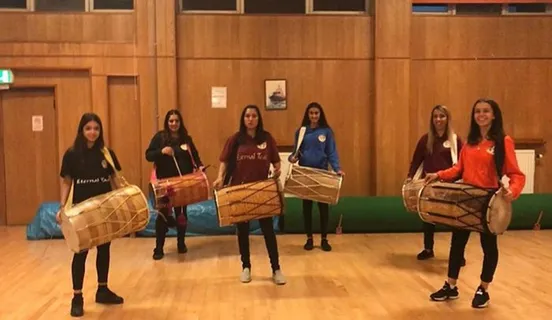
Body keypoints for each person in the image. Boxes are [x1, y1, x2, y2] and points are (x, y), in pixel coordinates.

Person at [425, 98, 526, 308]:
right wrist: (439, 175)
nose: (481, 115)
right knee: (457, 244)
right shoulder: (469, 142)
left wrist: (512, 191)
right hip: (466, 198)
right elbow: (458, 169)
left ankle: (483, 288)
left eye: (485, 111)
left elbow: (517, 174)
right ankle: (450, 286)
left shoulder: (503, 142)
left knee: (488, 247)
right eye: (477, 111)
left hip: (488, 201)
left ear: (494, 115)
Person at [56, 113, 124, 317]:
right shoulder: (72, 154)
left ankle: (102, 290)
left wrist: (120, 201)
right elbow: (67, 181)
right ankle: (77, 297)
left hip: (103, 209)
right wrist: (62, 207)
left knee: (104, 249)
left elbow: (115, 180)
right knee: (80, 252)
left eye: (96, 128)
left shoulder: (107, 153)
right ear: (82, 130)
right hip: (81, 211)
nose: (92, 132)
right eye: (88, 128)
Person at [213, 104, 286, 285]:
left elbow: (276, 163)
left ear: (258, 118)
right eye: (247, 116)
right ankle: (246, 267)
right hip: (240, 190)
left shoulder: (267, 138)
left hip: (262, 191)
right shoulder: (236, 139)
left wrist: (277, 172)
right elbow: (223, 161)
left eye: (254, 116)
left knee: (268, 231)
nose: (250, 119)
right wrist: (220, 178)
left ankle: (276, 268)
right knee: (242, 231)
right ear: (243, 119)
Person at [406, 105, 465, 264]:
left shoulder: (455, 139)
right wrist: (410, 177)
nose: (438, 119)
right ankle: (428, 248)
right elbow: (416, 160)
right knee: (427, 218)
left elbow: (462, 162)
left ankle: (457, 254)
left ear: (447, 119)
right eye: (435, 117)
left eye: (442, 116)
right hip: (429, 184)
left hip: (450, 184)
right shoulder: (425, 140)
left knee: (455, 220)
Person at [146, 109, 204, 260]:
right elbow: (148, 155)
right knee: (163, 216)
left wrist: (200, 166)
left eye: (176, 121)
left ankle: (181, 243)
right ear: (167, 122)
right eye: (171, 121)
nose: (174, 124)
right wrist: (161, 151)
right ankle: (158, 248)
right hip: (164, 184)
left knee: (181, 214)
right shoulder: (160, 137)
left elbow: (195, 156)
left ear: (180, 122)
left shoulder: (186, 139)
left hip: (183, 183)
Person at [289, 102, 344, 252]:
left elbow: (332, 152)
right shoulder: (301, 132)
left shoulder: (326, 132)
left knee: (323, 208)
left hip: (322, 173)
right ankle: (309, 238)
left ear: (320, 115)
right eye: (311, 113)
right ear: (307, 114)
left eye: (316, 113)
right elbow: (295, 152)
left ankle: (324, 239)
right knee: (306, 208)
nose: (314, 116)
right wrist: (292, 158)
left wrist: (337, 169)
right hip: (305, 174)